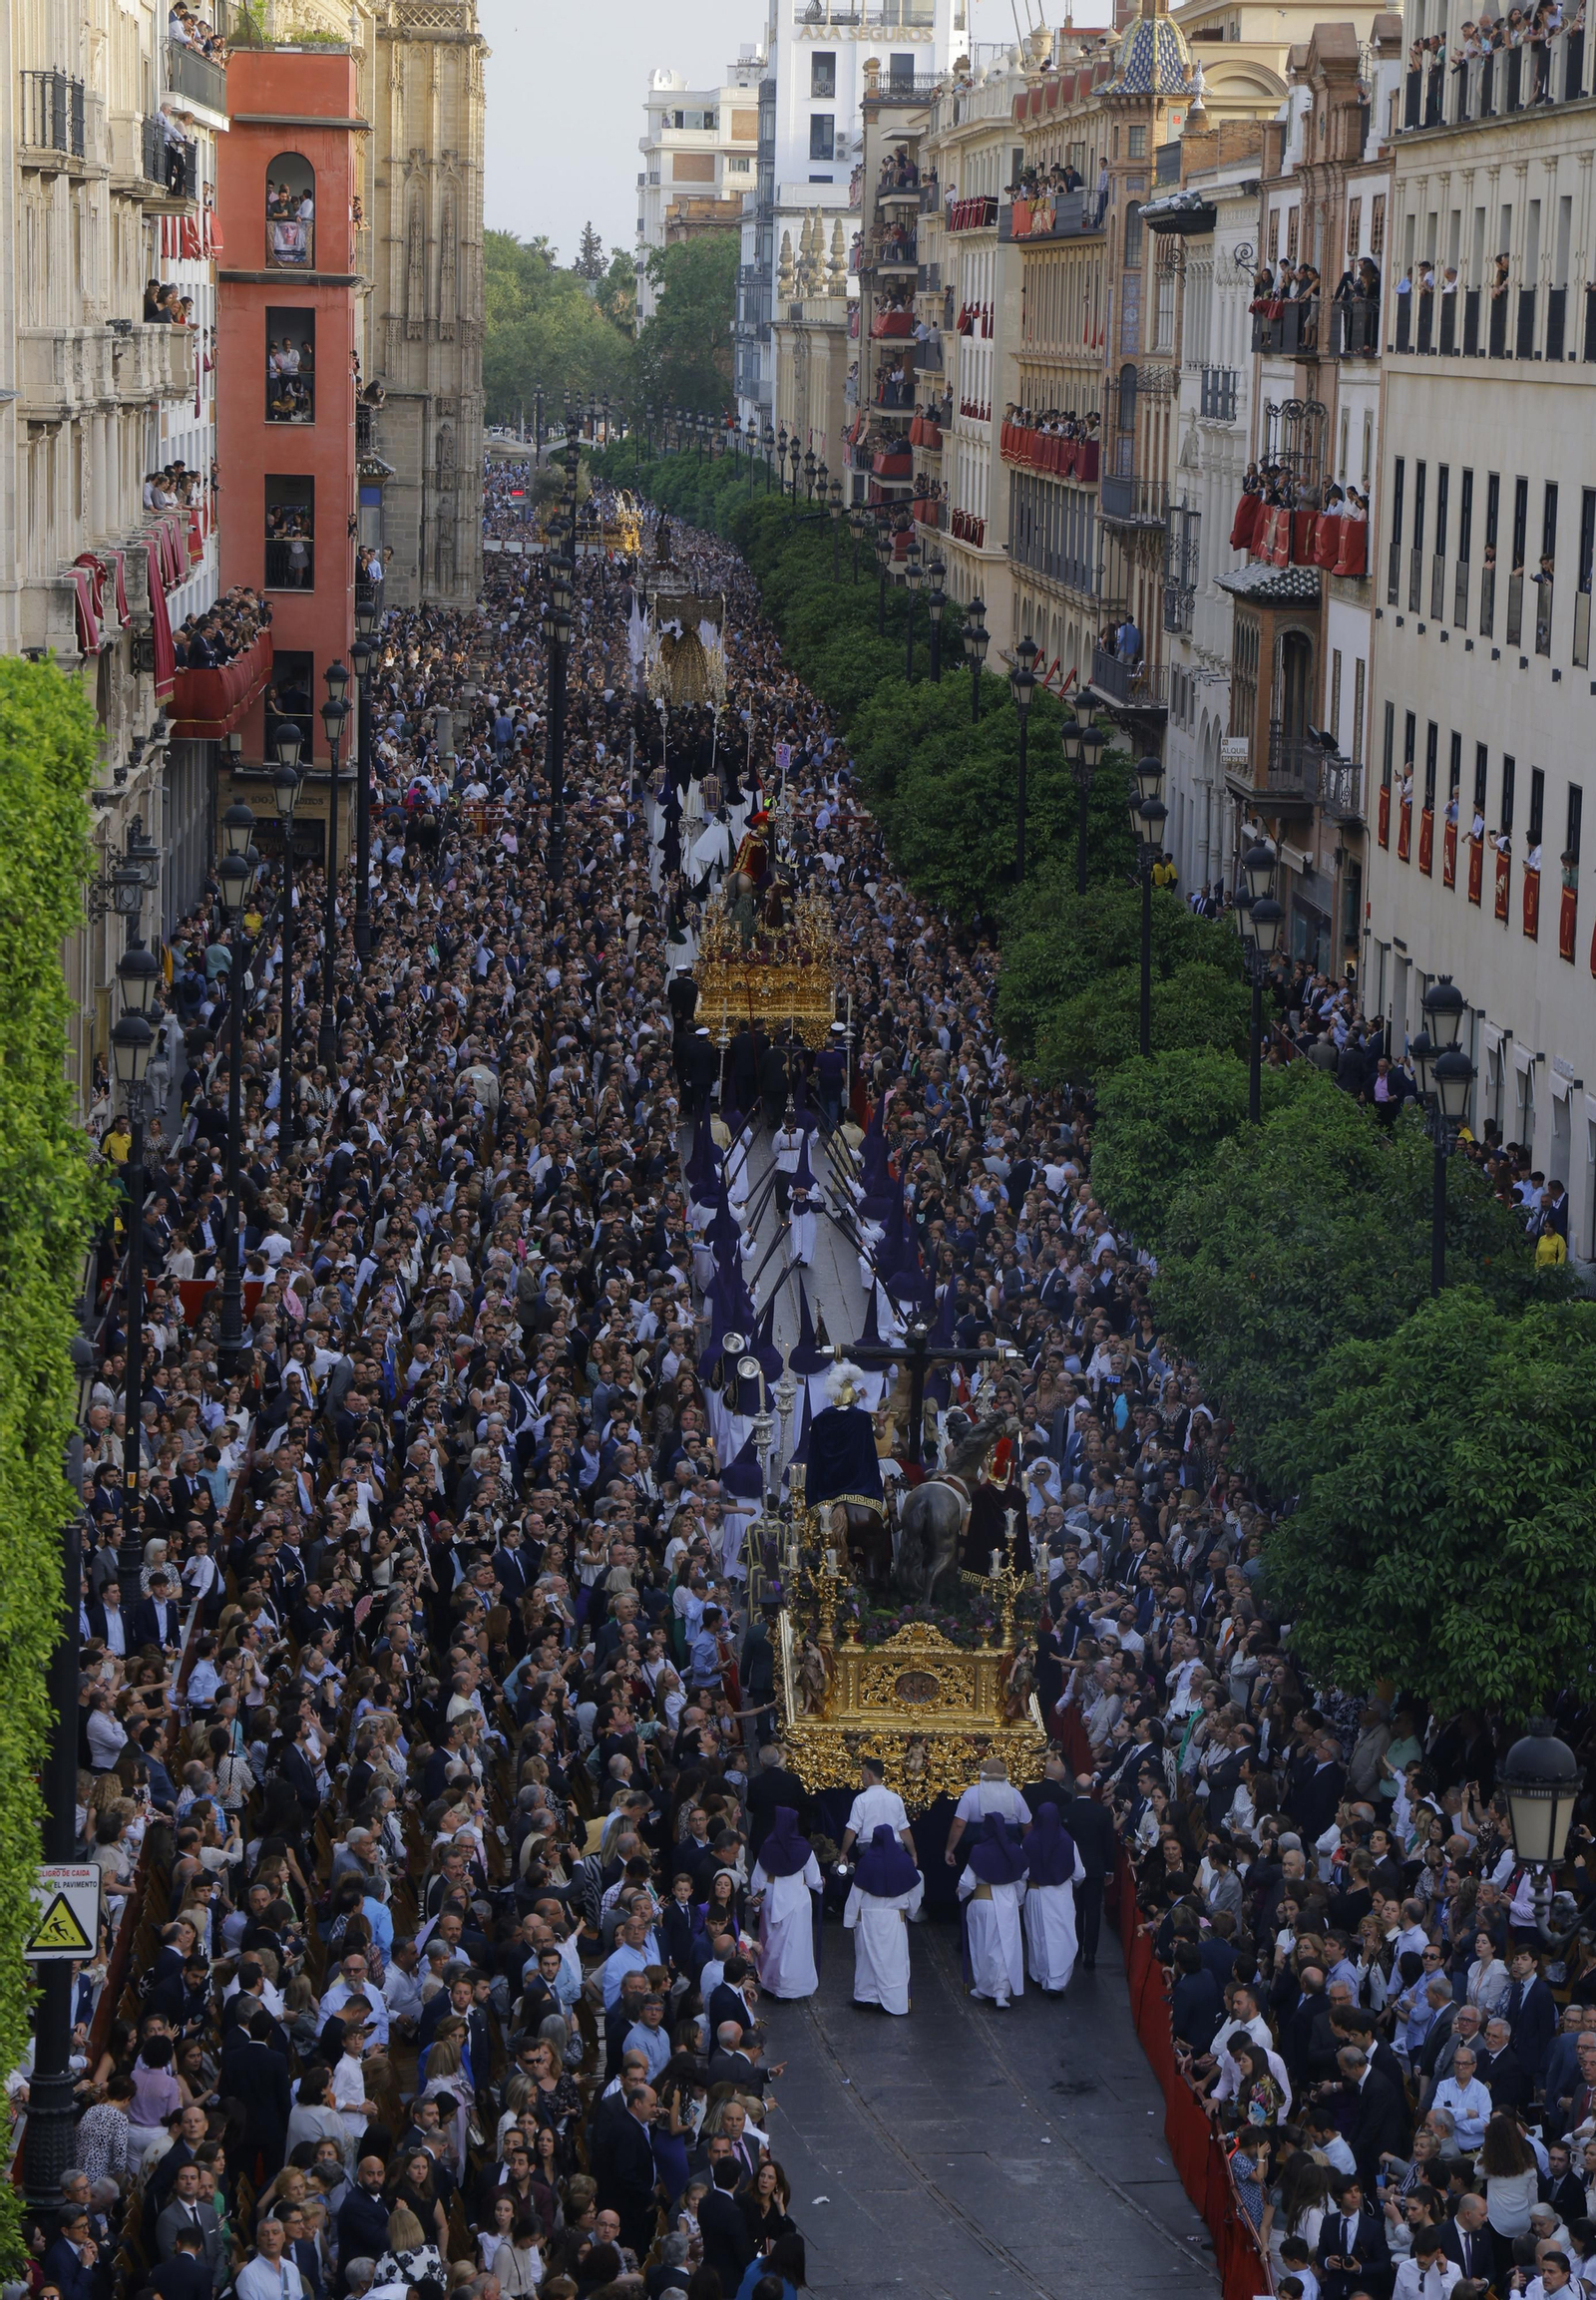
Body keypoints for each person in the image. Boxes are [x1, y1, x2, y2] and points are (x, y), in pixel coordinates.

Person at [842, 1824, 923, 2015]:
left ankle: (866, 1997)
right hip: (894, 1920)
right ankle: (893, 1999)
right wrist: (911, 1911)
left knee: (867, 1961)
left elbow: (855, 1894)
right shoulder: (904, 1863)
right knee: (893, 1962)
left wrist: (849, 1920)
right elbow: (914, 1890)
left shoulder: (868, 1862)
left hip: (868, 1919)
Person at [747, 1807, 822, 2001]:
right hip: (798, 1898)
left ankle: (771, 1984)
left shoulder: (767, 1847)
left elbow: (757, 1881)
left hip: (771, 1897)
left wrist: (756, 1907)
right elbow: (814, 1880)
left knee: (772, 1942)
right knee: (795, 1945)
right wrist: (821, 1885)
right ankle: (792, 1988)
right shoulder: (804, 1848)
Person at [957, 1813, 1028, 2009]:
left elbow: (967, 1882)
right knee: (1004, 1949)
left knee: (981, 1947)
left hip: (982, 1901)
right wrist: (1020, 1900)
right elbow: (1022, 1878)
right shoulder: (1013, 1850)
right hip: (1006, 1903)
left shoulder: (978, 1851)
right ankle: (1000, 1992)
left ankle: (983, 1986)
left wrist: (961, 1893)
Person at [1020, 1803, 1080, 1994]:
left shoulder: (1028, 1841)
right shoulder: (1068, 1842)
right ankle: (1056, 1981)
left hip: (1035, 1894)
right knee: (1060, 1937)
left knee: (1037, 1936)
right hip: (1059, 1895)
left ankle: (1038, 1974)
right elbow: (1079, 1873)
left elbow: (1023, 1872)